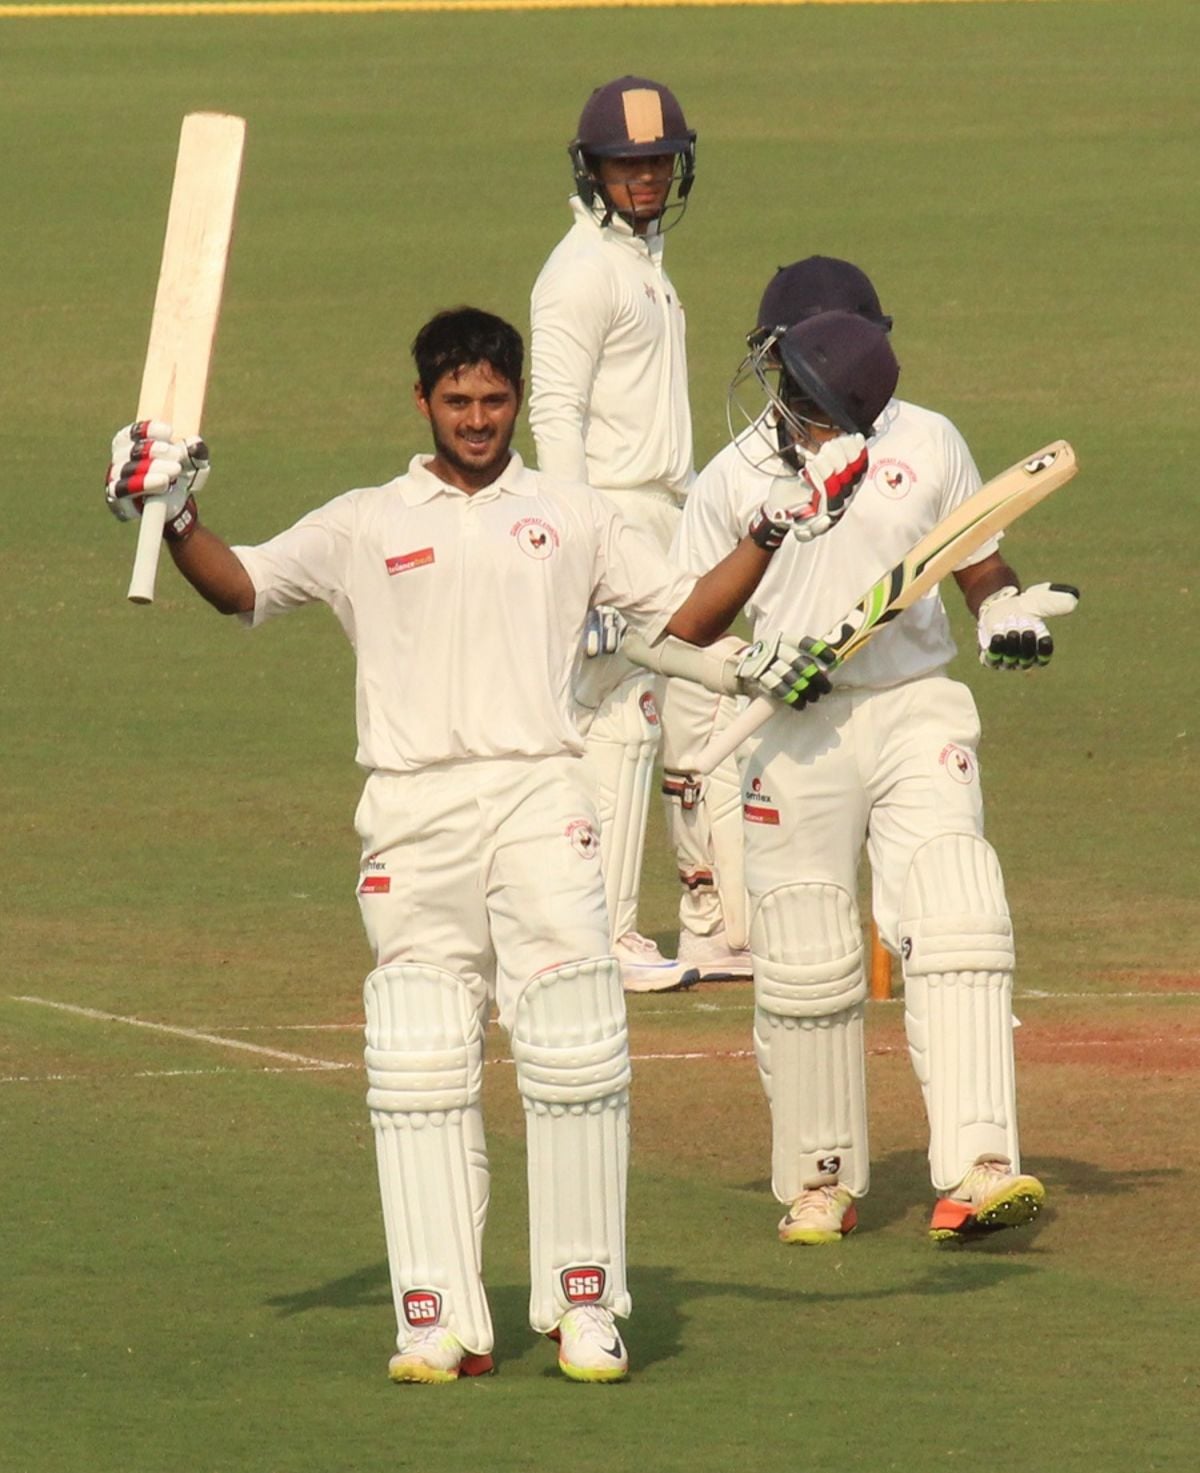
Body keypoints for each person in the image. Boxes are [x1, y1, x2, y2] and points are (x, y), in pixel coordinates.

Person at [103, 306, 865, 1384]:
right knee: (417, 1055)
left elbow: (685, 623)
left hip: (539, 793)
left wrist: (770, 532)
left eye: (495, 400)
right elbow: (246, 587)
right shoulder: (363, 521)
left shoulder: (572, 513)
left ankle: (585, 1305)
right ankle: (437, 1316)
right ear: (422, 401)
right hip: (411, 809)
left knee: (574, 1046)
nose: (476, 418)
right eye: (456, 400)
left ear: (514, 402)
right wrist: (176, 517)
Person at [671, 258, 1078, 1245]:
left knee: (956, 911)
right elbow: (685, 627)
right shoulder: (734, 481)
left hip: (912, 705)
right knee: (807, 951)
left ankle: (979, 1167)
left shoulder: (925, 439)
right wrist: (759, 665)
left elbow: (974, 556)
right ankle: (821, 1180)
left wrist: (1001, 610)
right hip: (794, 728)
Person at [530, 75, 747, 992]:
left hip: (668, 512)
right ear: (594, 173)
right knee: (622, 715)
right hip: (609, 516)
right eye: (629, 165)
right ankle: (604, 935)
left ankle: (713, 926)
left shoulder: (643, 264)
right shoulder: (578, 273)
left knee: (706, 708)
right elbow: (555, 412)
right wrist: (577, 556)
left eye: (659, 161)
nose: (648, 179)